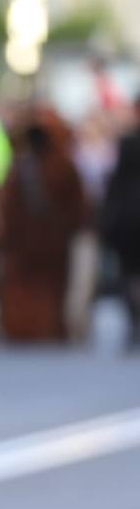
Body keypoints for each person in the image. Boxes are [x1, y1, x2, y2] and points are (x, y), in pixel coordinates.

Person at [0, 106, 87, 342]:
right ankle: (48, 329)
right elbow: (78, 206)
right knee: (51, 288)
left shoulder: (20, 168)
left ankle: (25, 328)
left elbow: (7, 207)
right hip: (52, 240)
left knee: (27, 287)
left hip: (27, 242)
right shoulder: (64, 166)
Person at [102, 98, 140, 349]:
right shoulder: (127, 142)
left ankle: (135, 321)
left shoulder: (128, 142)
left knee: (131, 274)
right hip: (130, 217)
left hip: (129, 217)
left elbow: (115, 183)